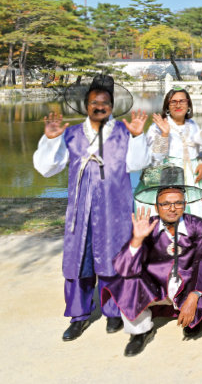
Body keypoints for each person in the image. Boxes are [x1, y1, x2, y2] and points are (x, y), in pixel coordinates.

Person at [33, 74, 149, 341]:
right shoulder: (71, 134)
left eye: (105, 102)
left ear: (112, 106)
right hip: (80, 209)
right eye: (95, 102)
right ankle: (79, 315)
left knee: (113, 258)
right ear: (86, 105)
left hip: (115, 208)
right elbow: (47, 169)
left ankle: (112, 311)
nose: (100, 106)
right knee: (78, 262)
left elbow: (137, 164)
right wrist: (51, 140)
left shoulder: (123, 131)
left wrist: (139, 136)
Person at [101, 162, 202, 356]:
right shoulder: (147, 226)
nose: (172, 208)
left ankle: (193, 315)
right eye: (165, 204)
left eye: (178, 203)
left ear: (184, 204)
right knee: (127, 280)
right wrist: (137, 240)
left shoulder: (197, 226)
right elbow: (123, 268)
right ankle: (141, 331)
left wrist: (195, 295)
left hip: (187, 285)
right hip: (157, 286)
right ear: (156, 206)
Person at [146, 88, 202, 219]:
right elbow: (154, 157)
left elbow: (201, 147)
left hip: (192, 176)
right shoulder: (157, 127)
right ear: (167, 106)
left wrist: (201, 162)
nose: (178, 105)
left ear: (188, 105)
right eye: (173, 102)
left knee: (195, 213)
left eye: (182, 101)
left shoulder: (192, 125)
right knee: (171, 211)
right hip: (169, 173)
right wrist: (164, 134)